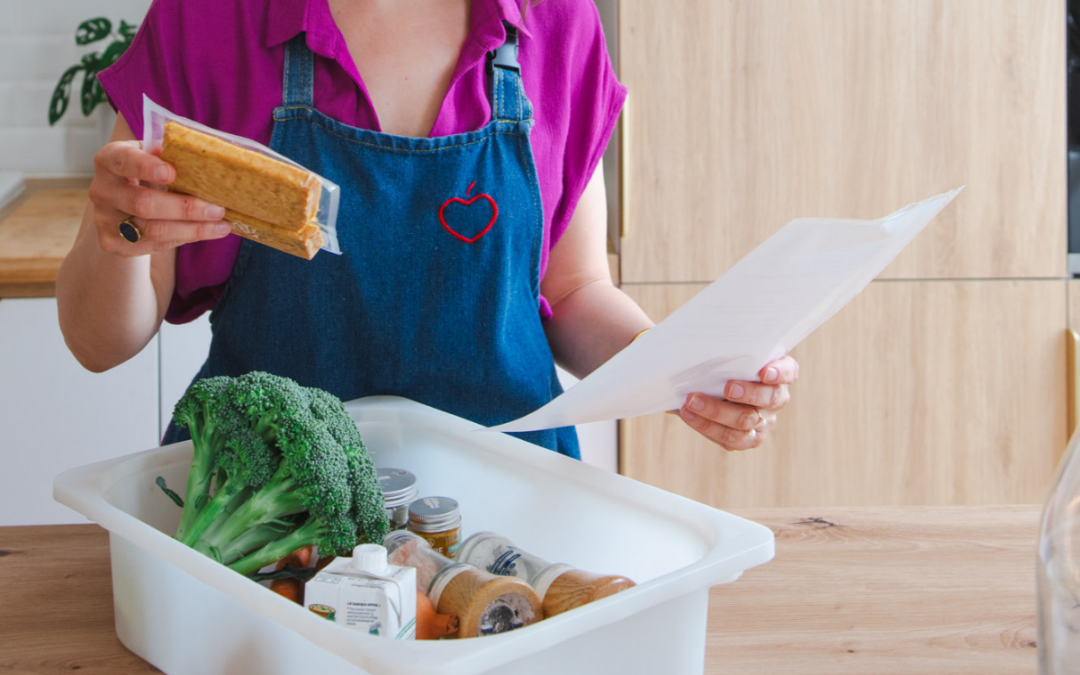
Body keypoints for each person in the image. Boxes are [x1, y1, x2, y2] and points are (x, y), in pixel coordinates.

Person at [56, 0, 798, 457]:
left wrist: (679, 369)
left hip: (507, 525)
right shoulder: (207, 19)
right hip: (260, 528)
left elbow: (573, 291)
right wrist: (121, 235)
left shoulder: (555, 20)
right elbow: (99, 342)